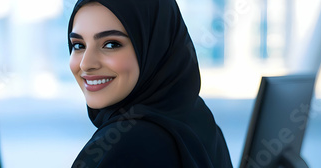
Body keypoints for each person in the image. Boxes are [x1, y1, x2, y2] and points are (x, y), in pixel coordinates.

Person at [67, 0, 233, 167]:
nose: (86, 64)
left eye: (111, 44)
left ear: (155, 47)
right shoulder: (199, 120)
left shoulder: (125, 145)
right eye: (79, 45)